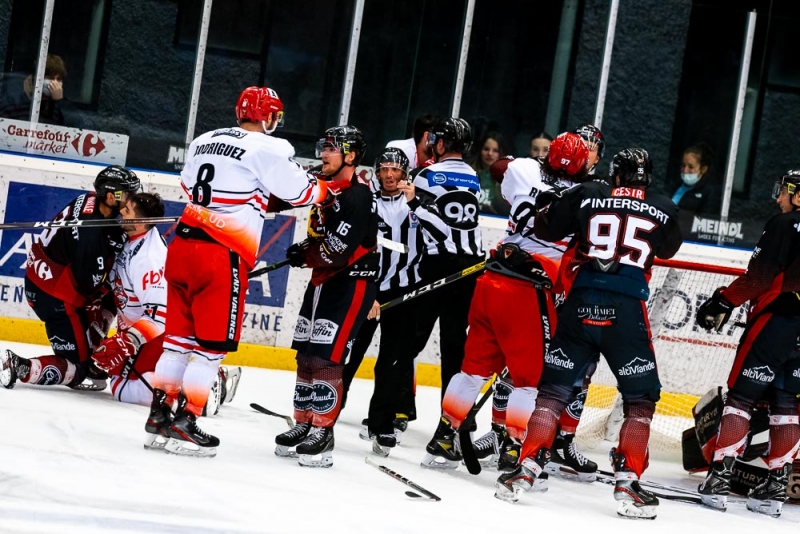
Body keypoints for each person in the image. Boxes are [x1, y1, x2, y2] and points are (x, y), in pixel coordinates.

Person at [142, 86, 337, 458]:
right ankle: (187, 420)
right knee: (210, 349)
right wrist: (327, 191)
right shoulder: (269, 147)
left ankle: (160, 416)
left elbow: (189, 185)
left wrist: (251, 196)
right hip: (219, 256)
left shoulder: (204, 138)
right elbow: (301, 193)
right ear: (267, 116)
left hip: (181, 247)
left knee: (177, 343)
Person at [504, 149, 682, 518]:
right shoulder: (663, 204)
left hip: (581, 303)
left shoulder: (587, 192)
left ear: (616, 175)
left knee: (552, 393)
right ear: (646, 178)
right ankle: (628, 481)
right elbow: (669, 247)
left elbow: (544, 228)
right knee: (640, 401)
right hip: (626, 310)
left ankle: (525, 470)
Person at [421, 132, 590, 472]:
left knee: (471, 372)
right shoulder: (586, 196)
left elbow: (499, 167)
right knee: (529, 381)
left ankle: (442, 437)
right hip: (529, 289)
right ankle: (513, 448)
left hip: (491, 280)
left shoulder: (525, 169)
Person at [694, 169, 800, 518]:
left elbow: (759, 277)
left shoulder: (784, 224)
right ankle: (774, 488)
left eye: (784, 190)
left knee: (741, 397)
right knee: (786, 402)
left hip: (775, 321)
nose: (778, 197)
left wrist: (723, 301)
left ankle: (720, 478)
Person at [274, 125, 379, 468]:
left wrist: (304, 254)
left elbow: (338, 248)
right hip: (323, 280)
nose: (323, 154)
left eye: (332, 149)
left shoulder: (358, 195)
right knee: (305, 354)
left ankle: (324, 430)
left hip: (350, 282)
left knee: (327, 357)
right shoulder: (324, 184)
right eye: (324, 148)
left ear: (350, 155)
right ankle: (303, 422)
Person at [90, 192, 241, 416]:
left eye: (127, 211)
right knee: (117, 380)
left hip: (154, 335)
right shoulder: (131, 240)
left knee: (123, 390)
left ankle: (204, 386)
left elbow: (161, 314)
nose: (120, 211)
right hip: (137, 330)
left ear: (140, 221)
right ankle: (197, 378)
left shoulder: (149, 258)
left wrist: (127, 341)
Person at [340, 147, 449, 456]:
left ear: (405, 173)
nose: (389, 175)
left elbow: (443, 234)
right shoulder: (368, 202)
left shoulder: (419, 203)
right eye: (384, 169)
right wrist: (367, 292)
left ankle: (382, 423)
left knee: (393, 363)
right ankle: (327, 412)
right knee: (349, 354)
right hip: (367, 288)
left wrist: (414, 202)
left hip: (404, 295)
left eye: (395, 170)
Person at [1, 165, 138, 391]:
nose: (131, 200)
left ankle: (91, 350)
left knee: (108, 297)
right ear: (110, 195)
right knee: (78, 369)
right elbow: (89, 283)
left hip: (46, 280)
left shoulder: (91, 202)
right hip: (55, 296)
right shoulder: (89, 237)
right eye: (127, 194)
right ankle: (21, 367)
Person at [407, 117, 484, 401]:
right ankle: (453, 418)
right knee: (455, 343)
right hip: (471, 269)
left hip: (437, 265)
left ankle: (397, 410)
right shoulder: (474, 177)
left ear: (440, 143)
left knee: (411, 339)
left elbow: (416, 220)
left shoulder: (425, 175)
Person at [0, 54, 67, 125]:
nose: (54, 83)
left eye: (59, 79)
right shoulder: (15, 102)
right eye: (50, 78)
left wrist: (60, 102)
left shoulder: (57, 108)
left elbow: (73, 127)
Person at [671, 142, 720, 218]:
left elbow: (705, 220)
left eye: (691, 167)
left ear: (703, 169)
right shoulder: (675, 184)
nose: (685, 170)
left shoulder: (709, 192)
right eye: (683, 165)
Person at [472, 131, 511, 215]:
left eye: (495, 150)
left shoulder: (508, 179)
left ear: (501, 153)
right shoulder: (468, 173)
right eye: (486, 149)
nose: (490, 154)